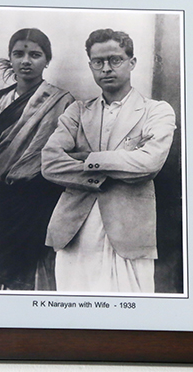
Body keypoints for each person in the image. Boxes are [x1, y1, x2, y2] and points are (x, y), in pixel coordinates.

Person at [41, 28, 176, 293]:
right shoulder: (77, 111)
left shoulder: (156, 111)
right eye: (98, 62)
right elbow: (50, 163)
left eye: (115, 60)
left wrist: (88, 159)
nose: (106, 68)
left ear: (132, 62)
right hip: (75, 232)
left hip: (129, 234)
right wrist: (121, 162)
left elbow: (149, 164)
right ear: (90, 65)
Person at [0, 28, 74, 290]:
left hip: (38, 199)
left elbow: (65, 152)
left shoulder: (61, 101)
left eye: (35, 54)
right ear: (10, 58)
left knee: (31, 268)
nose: (26, 60)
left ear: (47, 60)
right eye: (19, 54)